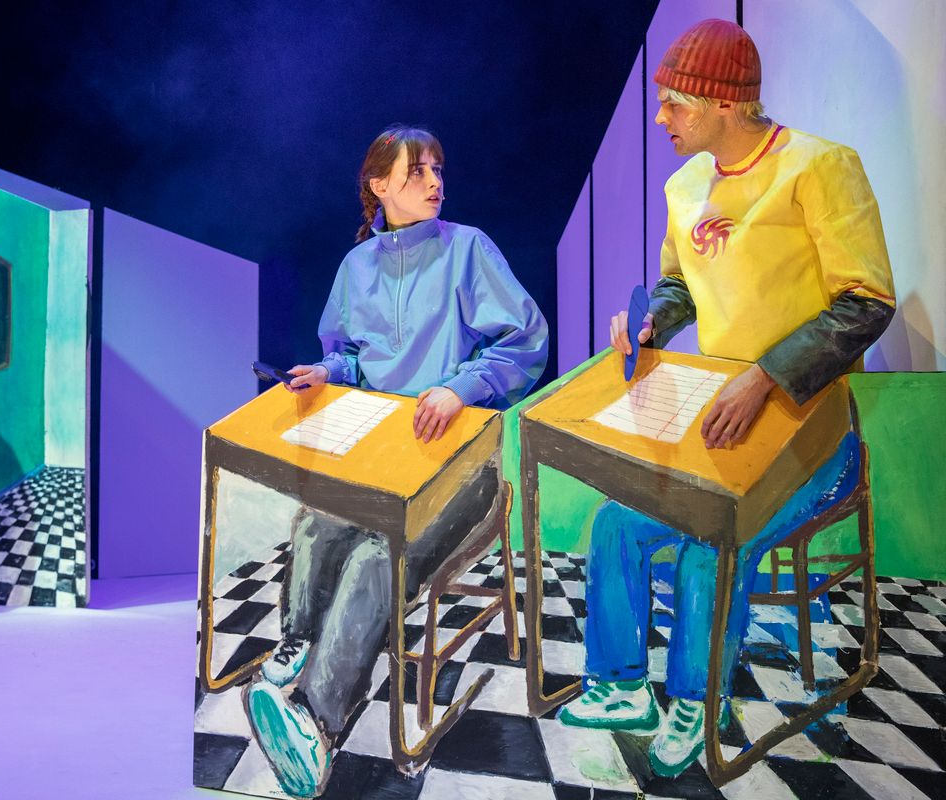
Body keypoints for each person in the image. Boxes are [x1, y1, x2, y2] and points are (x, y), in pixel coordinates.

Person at [557, 19, 896, 778]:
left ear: (724, 104)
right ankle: (621, 687)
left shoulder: (821, 166)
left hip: (811, 434)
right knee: (614, 524)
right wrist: (652, 320)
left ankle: (695, 699)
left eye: (674, 103)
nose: (661, 118)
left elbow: (866, 302)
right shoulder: (684, 187)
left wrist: (765, 375)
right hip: (721, 426)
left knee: (713, 535)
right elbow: (679, 283)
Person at [244, 126, 549, 796]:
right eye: (418, 172)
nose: (435, 182)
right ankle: (300, 643)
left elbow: (526, 340)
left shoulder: (468, 248)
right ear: (379, 186)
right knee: (318, 519)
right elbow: (352, 355)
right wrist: (326, 371)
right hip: (380, 456)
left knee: (375, 556)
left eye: (439, 169)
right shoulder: (357, 267)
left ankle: (315, 720)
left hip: (459, 468)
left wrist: (460, 386)